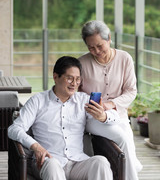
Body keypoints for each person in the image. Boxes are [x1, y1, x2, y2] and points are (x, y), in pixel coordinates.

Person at [8, 56, 117, 180]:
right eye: (69, 78)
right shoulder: (38, 101)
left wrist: (103, 116)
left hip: (78, 162)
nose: (74, 84)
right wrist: (36, 147)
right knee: (52, 164)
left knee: (100, 162)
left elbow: (116, 117)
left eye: (77, 79)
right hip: (48, 161)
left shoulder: (83, 100)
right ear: (55, 77)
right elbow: (14, 129)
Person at [79, 20, 143, 173]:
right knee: (123, 139)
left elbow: (131, 91)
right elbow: (75, 93)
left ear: (108, 38)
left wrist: (110, 104)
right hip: (93, 117)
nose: (96, 51)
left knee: (128, 149)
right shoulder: (81, 63)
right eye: (91, 47)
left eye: (100, 45)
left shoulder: (124, 58)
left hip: (119, 115)